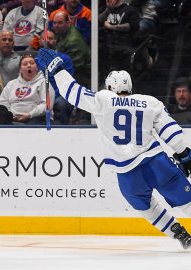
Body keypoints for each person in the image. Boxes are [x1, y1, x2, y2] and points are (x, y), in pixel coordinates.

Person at [37, 48, 191, 249]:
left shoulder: (103, 99)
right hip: (157, 164)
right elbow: (171, 133)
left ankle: (179, 235)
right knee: (187, 202)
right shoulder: (150, 102)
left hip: (127, 175)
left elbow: (73, 93)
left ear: (109, 86)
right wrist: (184, 154)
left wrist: (59, 71)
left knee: (147, 208)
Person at [0, 54, 54, 125]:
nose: (29, 65)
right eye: (25, 64)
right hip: (13, 117)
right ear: (20, 69)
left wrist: (29, 115)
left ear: (36, 67)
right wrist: (10, 115)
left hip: (37, 117)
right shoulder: (11, 84)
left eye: (32, 63)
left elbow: (47, 105)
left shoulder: (44, 83)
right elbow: (3, 103)